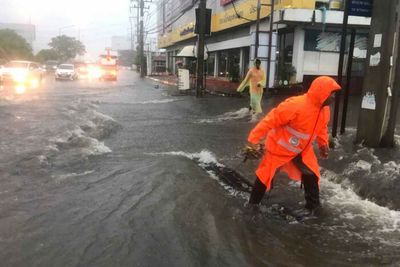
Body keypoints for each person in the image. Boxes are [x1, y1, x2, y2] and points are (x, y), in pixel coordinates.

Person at [246, 76, 341, 215]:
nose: (333, 97)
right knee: (266, 175)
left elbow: (322, 128)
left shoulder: (324, 110)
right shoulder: (295, 105)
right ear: (322, 93)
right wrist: (253, 139)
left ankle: (313, 207)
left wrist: (323, 144)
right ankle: (253, 205)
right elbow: (270, 120)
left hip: (302, 150)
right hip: (279, 148)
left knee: (312, 174)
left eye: (334, 94)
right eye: (331, 93)